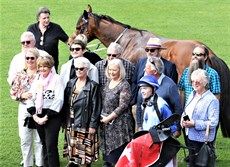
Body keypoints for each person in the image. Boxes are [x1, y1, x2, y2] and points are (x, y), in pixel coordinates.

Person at [178, 45, 221, 162]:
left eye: (198, 55)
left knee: (204, 153)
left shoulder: (212, 74)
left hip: (204, 117)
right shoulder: (187, 72)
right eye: (193, 54)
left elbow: (216, 96)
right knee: (190, 147)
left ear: (206, 57)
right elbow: (181, 90)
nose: (195, 57)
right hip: (188, 116)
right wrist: (182, 112)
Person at [131, 37, 178, 131]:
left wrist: (176, 127)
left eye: (152, 50)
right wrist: (134, 102)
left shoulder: (169, 66)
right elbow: (135, 82)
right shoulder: (141, 62)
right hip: (141, 107)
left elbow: (172, 92)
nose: (149, 52)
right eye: (147, 50)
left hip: (161, 112)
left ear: (159, 51)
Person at [61, 57, 102, 167]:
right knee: (73, 152)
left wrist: (93, 125)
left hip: (85, 124)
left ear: (87, 70)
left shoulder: (93, 86)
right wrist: (64, 122)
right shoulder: (70, 83)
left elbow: (96, 107)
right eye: (76, 68)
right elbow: (65, 104)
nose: (78, 71)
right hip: (71, 122)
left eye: (81, 69)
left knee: (84, 157)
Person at [27, 54, 64, 167]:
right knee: (44, 144)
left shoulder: (56, 79)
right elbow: (31, 97)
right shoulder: (37, 79)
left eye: (45, 66)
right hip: (38, 115)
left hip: (52, 116)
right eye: (40, 66)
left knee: (51, 145)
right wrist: (35, 116)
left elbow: (59, 99)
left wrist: (45, 117)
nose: (42, 69)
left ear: (50, 66)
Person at [10, 48, 43, 167]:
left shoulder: (42, 74)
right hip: (24, 109)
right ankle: (27, 164)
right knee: (25, 139)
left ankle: (40, 164)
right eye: (27, 58)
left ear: (37, 59)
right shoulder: (20, 74)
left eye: (32, 58)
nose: (29, 60)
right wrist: (22, 94)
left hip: (39, 109)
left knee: (39, 140)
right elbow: (13, 92)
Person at [180, 69, 219, 167]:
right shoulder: (192, 95)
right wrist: (183, 118)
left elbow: (213, 122)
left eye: (198, 81)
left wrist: (195, 123)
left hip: (202, 141)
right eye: (193, 81)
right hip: (190, 137)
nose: (194, 83)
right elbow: (186, 110)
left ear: (205, 83)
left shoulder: (211, 100)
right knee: (192, 164)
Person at [100, 59, 134, 167]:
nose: (111, 72)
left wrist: (109, 118)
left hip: (120, 124)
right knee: (108, 154)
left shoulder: (124, 85)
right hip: (106, 123)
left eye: (114, 70)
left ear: (120, 70)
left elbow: (123, 105)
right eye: (110, 70)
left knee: (118, 154)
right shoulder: (107, 82)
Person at [138, 74, 177, 167]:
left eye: (145, 88)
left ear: (153, 89)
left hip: (162, 145)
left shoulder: (162, 105)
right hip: (148, 143)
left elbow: (174, 126)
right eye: (141, 88)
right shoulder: (144, 104)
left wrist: (162, 132)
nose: (142, 91)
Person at [143, 57, 183, 137]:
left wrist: (177, 128)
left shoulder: (169, 86)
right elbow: (141, 102)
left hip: (163, 132)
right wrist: (140, 125)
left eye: (147, 68)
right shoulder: (145, 83)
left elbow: (177, 107)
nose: (144, 70)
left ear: (155, 71)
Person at [27, 6, 69, 71]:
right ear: (38, 19)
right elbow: (26, 43)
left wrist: (78, 46)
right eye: (44, 18)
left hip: (51, 64)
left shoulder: (56, 28)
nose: (47, 20)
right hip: (35, 64)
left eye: (48, 17)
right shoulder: (31, 28)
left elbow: (68, 41)